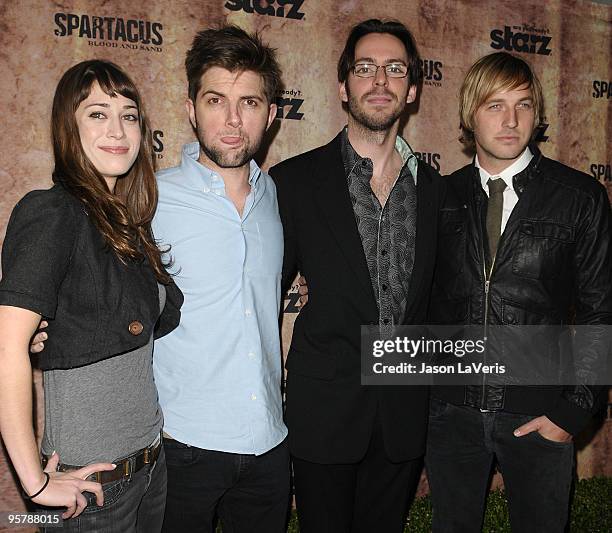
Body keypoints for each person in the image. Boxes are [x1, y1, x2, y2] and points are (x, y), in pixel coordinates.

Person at [269, 19, 445, 533]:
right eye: (365, 68)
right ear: (343, 86)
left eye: (395, 70)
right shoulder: (294, 182)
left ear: (412, 90)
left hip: (404, 412)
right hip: (324, 409)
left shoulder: (438, 192)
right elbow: (259, 294)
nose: (380, 81)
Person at [426, 51, 611, 533]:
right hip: (451, 414)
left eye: (523, 105)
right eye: (494, 105)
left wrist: (572, 410)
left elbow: (600, 311)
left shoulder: (579, 197)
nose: (510, 120)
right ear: (469, 114)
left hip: (539, 413)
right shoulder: (440, 197)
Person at [0, 60, 182, 532]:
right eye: (98, 114)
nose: (117, 129)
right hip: (94, 490)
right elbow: (5, 348)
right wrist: (36, 486)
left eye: (129, 114)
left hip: (150, 468)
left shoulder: (128, 224)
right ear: (69, 126)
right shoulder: (52, 213)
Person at [151, 26, 289, 532]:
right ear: (191, 108)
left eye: (249, 102)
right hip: (182, 447)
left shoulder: (276, 197)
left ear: (271, 114)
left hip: (270, 446)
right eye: (216, 100)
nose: (233, 120)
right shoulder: (149, 199)